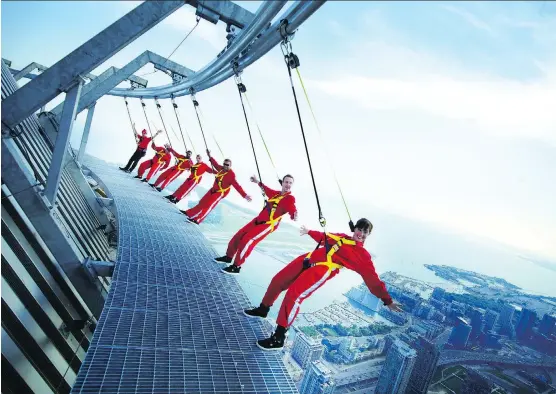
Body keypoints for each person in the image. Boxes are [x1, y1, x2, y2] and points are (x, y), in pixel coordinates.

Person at [243, 218, 403, 351]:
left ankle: (279, 337)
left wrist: (387, 300)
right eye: (359, 229)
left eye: (365, 232)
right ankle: (263, 309)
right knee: (278, 280)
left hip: (323, 269)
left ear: (368, 235)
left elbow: (372, 279)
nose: (360, 233)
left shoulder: (363, 256)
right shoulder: (342, 237)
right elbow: (325, 237)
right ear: (355, 229)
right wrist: (309, 232)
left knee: (294, 295)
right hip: (308, 259)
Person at [215, 174, 298, 275]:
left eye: (290, 183)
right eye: (286, 182)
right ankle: (228, 257)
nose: (288, 184)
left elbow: (292, 209)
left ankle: (236, 266)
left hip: (267, 225)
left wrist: (294, 215)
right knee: (238, 236)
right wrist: (257, 181)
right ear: (282, 183)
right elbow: (266, 189)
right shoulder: (276, 194)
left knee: (247, 240)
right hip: (257, 220)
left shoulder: (290, 198)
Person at [181, 149, 252, 224]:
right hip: (213, 190)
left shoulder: (231, 175)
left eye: (227, 165)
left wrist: (245, 195)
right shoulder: (221, 169)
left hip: (220, 193)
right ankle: (189, 213)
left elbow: (237, 187)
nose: (225, 166)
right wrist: (209, 156)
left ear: (230, 166)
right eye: (224, 164)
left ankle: (198, 219)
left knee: (208, 206)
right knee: (202, 202)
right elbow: (215, 164)